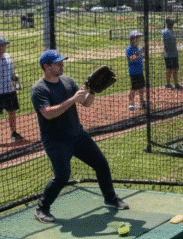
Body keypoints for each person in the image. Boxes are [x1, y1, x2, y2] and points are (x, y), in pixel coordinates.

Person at [31, 49, 129, 223]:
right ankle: (41, 208)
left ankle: (110, 198)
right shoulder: (39, 89)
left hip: (77, 135)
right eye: (57, 63)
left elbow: (86, 103)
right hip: (56, 140)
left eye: (62, 61)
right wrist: (72, 100)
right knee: (62, 176)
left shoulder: (68, 81)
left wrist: (92, 91)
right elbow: (48, 114)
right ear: (46, 67)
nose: (62, 64)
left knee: (101, 164)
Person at [126, 30, 146, 110]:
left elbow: (141, 56)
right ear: (131, 39)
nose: (138, 39)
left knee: (141, 87)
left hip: (140, 70)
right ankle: (131, 103)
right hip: (133, 72)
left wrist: (143, 53)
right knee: (134, 88)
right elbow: (132, 58)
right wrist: (140, 55)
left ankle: (142, 101)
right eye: (136, 37)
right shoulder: (129, 48)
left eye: (138, 37)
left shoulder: (139, 47)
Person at [162, 18, 183, 90]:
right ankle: (168, 84)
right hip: (169, 53)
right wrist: (169, 48)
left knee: (175, 68)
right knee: (169, 69)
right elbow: (166, 43)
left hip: (174, 53)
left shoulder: (171, 31)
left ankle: (176, 84)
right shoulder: (166, 31)